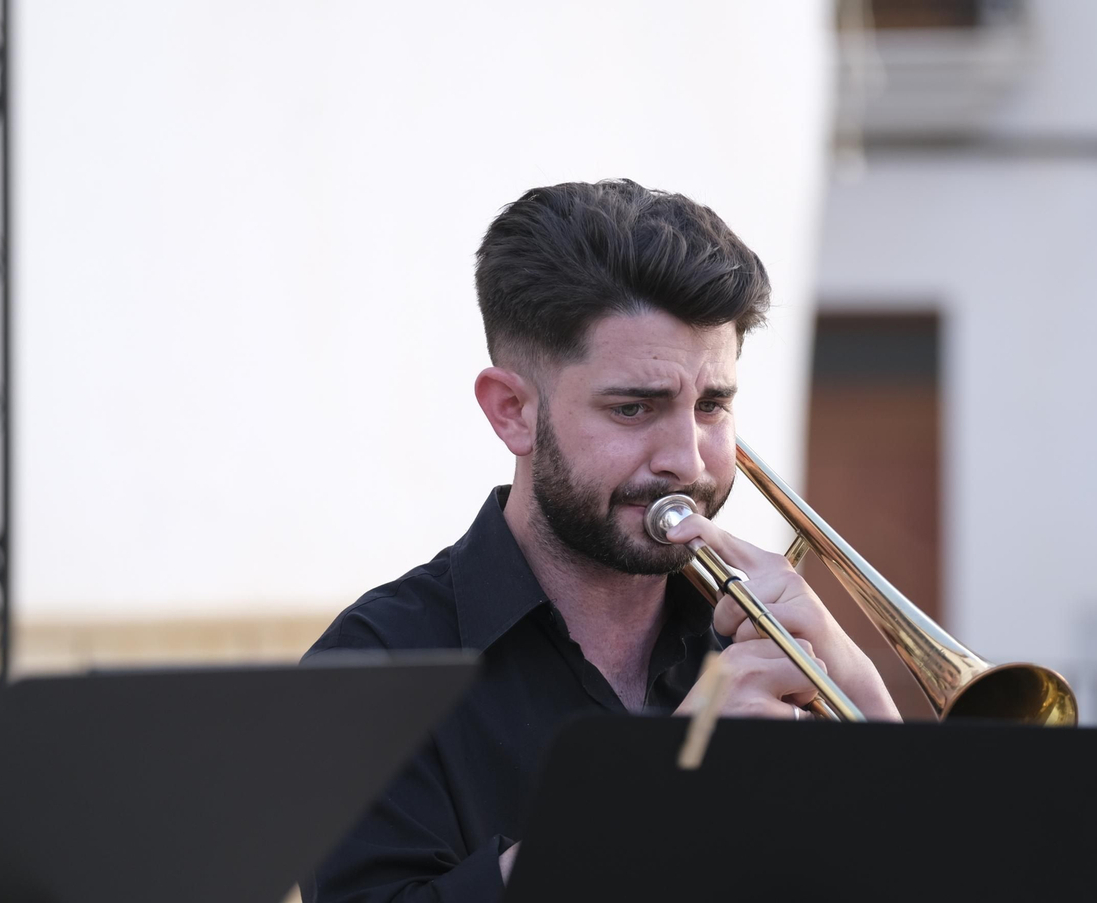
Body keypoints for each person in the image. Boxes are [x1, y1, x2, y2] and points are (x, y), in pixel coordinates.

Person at [302, 179, 900, 902]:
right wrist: (656, 791)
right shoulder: (377, 660)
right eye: (634, 407)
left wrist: (859, 690)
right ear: (513, 411)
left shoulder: (756, 651)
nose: (687, 458)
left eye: (712, 404)